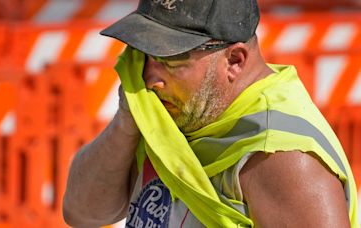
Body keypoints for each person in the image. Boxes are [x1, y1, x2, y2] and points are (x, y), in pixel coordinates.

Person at [63, 0, 359, 227]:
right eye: (144, 55)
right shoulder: (175, 109)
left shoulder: (281, 157)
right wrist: (127, 123)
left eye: (171, 61)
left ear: (234, 61)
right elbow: (82, 213)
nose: (150, 79)